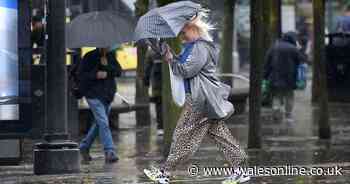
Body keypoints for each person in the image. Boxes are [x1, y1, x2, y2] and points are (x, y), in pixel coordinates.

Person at [143, 13, 249, 184]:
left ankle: (165, 173)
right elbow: (185, 66)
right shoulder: (193, 47)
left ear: (194, 29)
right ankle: (241, 170)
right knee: (220, 135)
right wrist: (171, 57)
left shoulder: (201, 47)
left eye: (184, 32)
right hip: (203, 99)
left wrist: (172, 60)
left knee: (183, 135)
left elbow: (187, 70)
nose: (182, 36)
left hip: (200, 100)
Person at [78, 48, 122, 163]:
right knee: (103, 122)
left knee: (99, 123)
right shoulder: (89, 57)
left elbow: (118, 71)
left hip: (107, 95)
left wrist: (107, 68)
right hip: (93, 95)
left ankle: (84, 146)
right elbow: (82, 76)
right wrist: (95, 75)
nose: (105, 48)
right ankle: (109, 151)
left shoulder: (110, 56)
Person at [264, 32, 305, 123]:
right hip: (289, 78)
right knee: (289, 96)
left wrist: (265, 76)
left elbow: (267, 63)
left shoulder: (274, 47)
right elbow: (301, 61)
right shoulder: (293, 49)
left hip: (275, 77)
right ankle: (288, 114)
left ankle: (276, 111)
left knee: (277, 96)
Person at [144, 42, 164, 135]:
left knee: (159, 104)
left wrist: (146, 81)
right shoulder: (170, 48)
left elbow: (147, 68)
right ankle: (163, 126)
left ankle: (161, 127)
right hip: (166, 83)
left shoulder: (152, 51)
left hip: (157, 83)